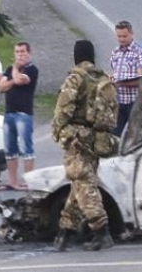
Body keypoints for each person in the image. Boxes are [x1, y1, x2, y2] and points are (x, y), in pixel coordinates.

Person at [52, 40, 116, 252]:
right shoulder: (102, 78)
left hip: (77, 139)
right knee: (79, 185)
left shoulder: (76, 78)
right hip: (96, 139)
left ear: (76, 56)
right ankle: (65, 232)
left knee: (84, 185)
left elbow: (63, 112)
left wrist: (60, 133)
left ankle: (101, 231)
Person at [0, 41, 39, 190]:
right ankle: (12, 181)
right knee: (10, 149)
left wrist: (14, 71)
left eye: (22, 51)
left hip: (24, 114)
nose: (20, 55)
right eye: (17, 52)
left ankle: (28, 181)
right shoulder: (9, 69)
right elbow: (0, 87)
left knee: (26, 148)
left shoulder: (32, 69)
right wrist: (14, 79)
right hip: (9, 112)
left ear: (28, 53)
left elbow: (21, 81)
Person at [109, 20, 142, 136]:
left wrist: (122, 83)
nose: (122, 39)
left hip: (133, 102)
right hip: (118, 102)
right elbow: (115, 73)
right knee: (116, 135)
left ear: (131, 34)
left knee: (133, 136)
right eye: (119, 36)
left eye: (124, 36)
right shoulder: (115, 52)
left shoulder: (139, 52)